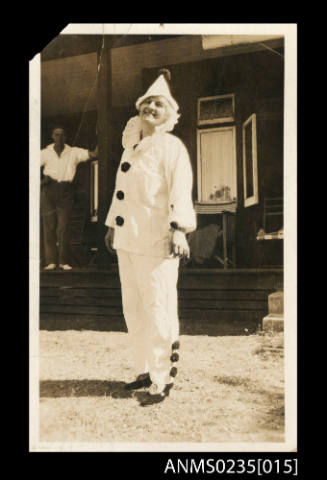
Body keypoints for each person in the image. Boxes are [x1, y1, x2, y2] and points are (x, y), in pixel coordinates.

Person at [104, 69, 196, 406]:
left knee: (158, 307)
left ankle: (162, 378)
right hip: (127, 240)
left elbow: (179, 191)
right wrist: (113, 227)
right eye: (146, 103)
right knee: (134, 307)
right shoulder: (132, 148)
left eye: (158, 103)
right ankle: (143, 369)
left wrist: (179, 230)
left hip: (157, 240)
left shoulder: (172, 148)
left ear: (168, 111)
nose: (151, 108)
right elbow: (122, 193)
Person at [41, 126, 98, 270]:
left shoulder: (73, 152)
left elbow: (94, 154)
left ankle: (63, 261)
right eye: (56, 134)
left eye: (62, 135)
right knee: (49, 227)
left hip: (65, 191)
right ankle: (50, 262)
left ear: (65, 137)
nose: (59, 137)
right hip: (48, 190)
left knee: (63, 227)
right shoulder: (45, 153)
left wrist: (101, 137)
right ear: (52, 136)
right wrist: (40, 182)